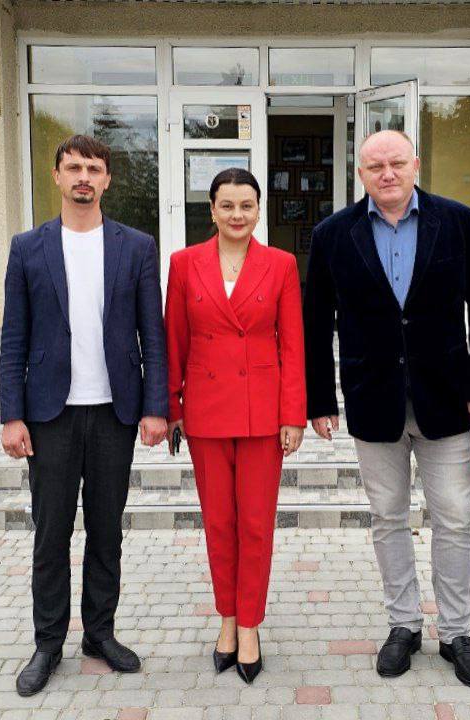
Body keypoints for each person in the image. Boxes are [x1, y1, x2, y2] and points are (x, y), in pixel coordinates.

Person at [303, 130, 470, 689]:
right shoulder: (333, 234)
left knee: (454, 518)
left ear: (415, 164)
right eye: (374, 166)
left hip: (447, 399)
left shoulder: (459, 222)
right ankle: (404, 625)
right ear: (360, 174)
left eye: (395, 163)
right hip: (373, 398)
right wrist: (320, 400)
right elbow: (315, 321)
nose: (386, 174)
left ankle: (456, 632)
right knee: (388, 517)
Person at [0, 134, 168, 697]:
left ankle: (99, 634)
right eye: (73, 168)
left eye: (94, 169)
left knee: (106, 531)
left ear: (107, 179)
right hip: (50, 415)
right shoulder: (28, 248)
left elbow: (152, 333)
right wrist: (11, 415)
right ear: (56, 176)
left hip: (114, 413)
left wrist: (156, 407)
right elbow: (13, 337)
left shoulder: (136, 247)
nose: (83, 178)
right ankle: (48, 643)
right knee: (51, 533)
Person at [165, 167, 305, 684]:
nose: (237, 215)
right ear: (212, 210)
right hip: (205, 412)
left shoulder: (281, 264)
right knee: (219, 524)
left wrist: (293, 415)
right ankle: (227, 618)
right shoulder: (184, 263)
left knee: (255, 526)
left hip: (262, 413)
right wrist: (172, 407)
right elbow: (174, 339)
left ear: (259, 209)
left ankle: (250, 625)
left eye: (246, 205)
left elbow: (293, 344)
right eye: (227, 205)